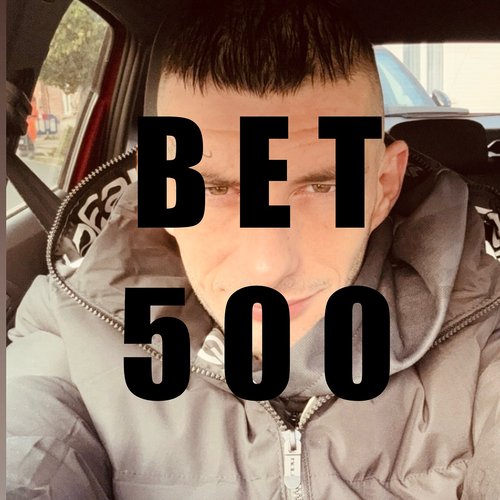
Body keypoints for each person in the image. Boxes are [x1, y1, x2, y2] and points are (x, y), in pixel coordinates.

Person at [6, 1, 500, 498]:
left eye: (323, 187)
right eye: (213, 190)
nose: (268, 266)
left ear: (383, 188)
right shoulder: (73, 331)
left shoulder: (483, 332)